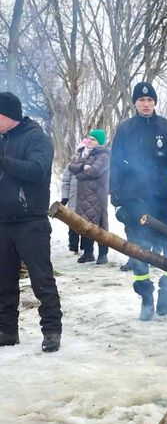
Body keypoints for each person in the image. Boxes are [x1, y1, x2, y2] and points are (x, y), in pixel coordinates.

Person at [110, 81, 167, 321]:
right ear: (134, 103)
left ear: (154, 102)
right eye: (141, 100)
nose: (146, 104)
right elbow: (115, 167)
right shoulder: (125, 130)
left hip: (164, 201)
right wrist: (117, 201)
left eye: (150, 100)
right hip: (135, 201)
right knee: (139, 252)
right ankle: (146, 299)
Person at [0, 90, 62, 351]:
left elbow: (37, 171)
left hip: (31, 222)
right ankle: (6, 330)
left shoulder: (36, 138)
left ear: (8, 115)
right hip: (3, 221)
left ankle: (51, 331)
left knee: (42, 279)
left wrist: (4, 162)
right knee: (3, 281)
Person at [68, 129, 110, 264]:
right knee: (85, 225)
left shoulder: (103, 156)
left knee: (100, 226)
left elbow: (94, 171)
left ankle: (103, 254)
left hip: (97, 196)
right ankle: (88, 252)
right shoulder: (84, 153)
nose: (89, 141)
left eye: (93, 139)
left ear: (99, 142)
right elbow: (71, 166)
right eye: (89, 138)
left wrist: (80, 173)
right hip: (83, 196)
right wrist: (83, 166)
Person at [60, 163, 79, 252]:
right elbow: (66, 182)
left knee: (87, 224)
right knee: (73, 223)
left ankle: (86, 250)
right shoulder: (71, 164)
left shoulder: (92, 162)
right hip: (73, 199)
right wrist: (65, 197)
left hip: (88, 201)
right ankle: (73, 247)